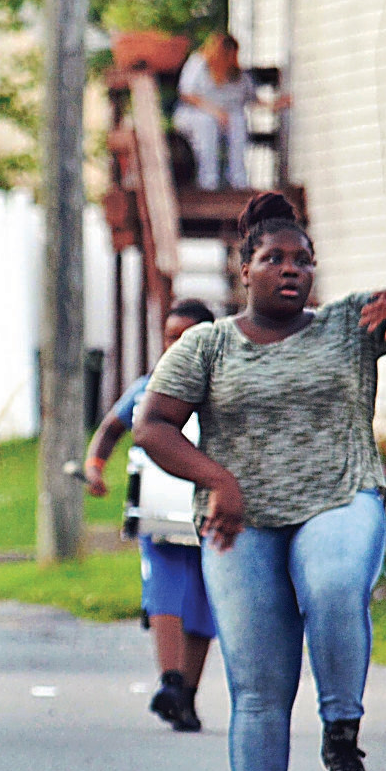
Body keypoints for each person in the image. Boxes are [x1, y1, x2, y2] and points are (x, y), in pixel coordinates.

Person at [134, 192, 386, 771]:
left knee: (335, 584)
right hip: (241, 521)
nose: (291, 269)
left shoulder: (348, 325)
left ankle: (341, 730)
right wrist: (218, 479)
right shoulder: (207, 343)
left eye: (303, 260)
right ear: (243, 268)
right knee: (257, 684)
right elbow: (152, 424)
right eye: (274, 257)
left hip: (339, 494)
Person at [82, 298, 218, 732]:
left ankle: (187, 695)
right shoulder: (149, 386)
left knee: (203, 603)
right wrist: (95, 467)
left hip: (211, 512)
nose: (176, 346)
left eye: (187, 337)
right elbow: (111, 427)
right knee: (164, 595)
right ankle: (171, 679)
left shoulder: (225, 388)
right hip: (160, 511)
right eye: (170, 337)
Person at [173, 33, 254, 192]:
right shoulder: (198, 63)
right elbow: (187, 94)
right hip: (194, 114)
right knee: (207, 123)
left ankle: (238, 179)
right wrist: (215, 112)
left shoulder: (237, 74)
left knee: (238, 120)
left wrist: (278, 103)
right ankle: (207, 182)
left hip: (224, 118)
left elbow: (250, 97)